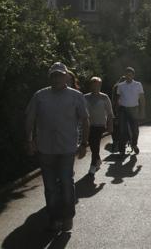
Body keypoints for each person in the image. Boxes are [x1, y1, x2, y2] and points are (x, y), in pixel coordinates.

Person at [25, 62, 89, 232]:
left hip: (67, 148)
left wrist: (84, 143)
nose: (57, 78)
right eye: (54, 75)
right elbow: (30, 119)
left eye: (60, 75)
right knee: (50, 186)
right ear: (50, 77)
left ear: (66, 76)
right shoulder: (40, 96)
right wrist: (29, 140)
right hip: (46, 149)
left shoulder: (76, 96)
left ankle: (68, 217)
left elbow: (85, 119)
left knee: (67, 182)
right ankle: (54, 218)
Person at [84, 76, 114, 175]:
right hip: (88, 125)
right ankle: (98, 159)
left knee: (95, 143)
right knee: (92, 144)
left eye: (98, 85)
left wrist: (110, 126)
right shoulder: (85, 97)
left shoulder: (104, 97)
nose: (96, 87)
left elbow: (110, 113)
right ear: (91, 85)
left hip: (100, 125)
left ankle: (93, 166)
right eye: (94, 84)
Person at [116, 67, 145, 156]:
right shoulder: (120, 85)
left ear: (133, 75)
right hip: (123, 109)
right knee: (122, 130)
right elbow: (117, 99)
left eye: (130, 75)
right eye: (127, 74)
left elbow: (142, 98)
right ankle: (121, 150)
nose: (128, 76)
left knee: (135, 130)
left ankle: (134, 144)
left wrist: (142, 110)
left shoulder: (138, 84)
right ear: (125, 75)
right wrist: (116, 112)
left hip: (134, 109)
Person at [110, 76, 125, 152]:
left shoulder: (115, 87)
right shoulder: (123, 87)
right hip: (123, 108)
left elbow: (113, 99)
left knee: (116, 126)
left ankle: (115, 141)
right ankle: (123, 141)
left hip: (115, 108)